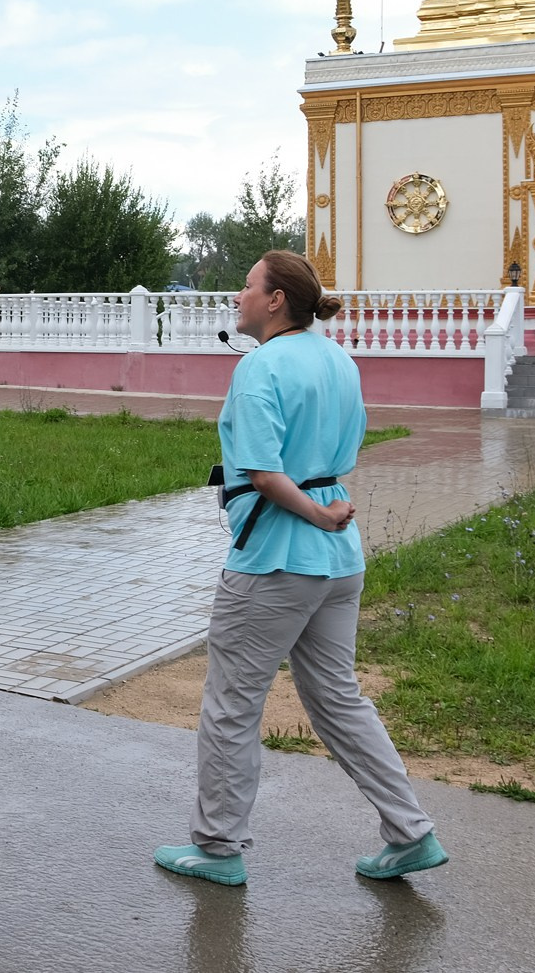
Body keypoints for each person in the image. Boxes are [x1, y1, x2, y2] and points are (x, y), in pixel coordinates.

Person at [153, 250, 448, 887]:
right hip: (339, 558)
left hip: (277, 558)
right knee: (340, 700)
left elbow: (262, 471)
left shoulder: (261, 367)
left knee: (232, 704)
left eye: (249, 285)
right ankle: (410, 830)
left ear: (277, 299)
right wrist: (327, 515)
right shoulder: (339, 359)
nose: (239, 294)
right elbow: (339, 450)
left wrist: (313, 518)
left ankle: (217, 846)